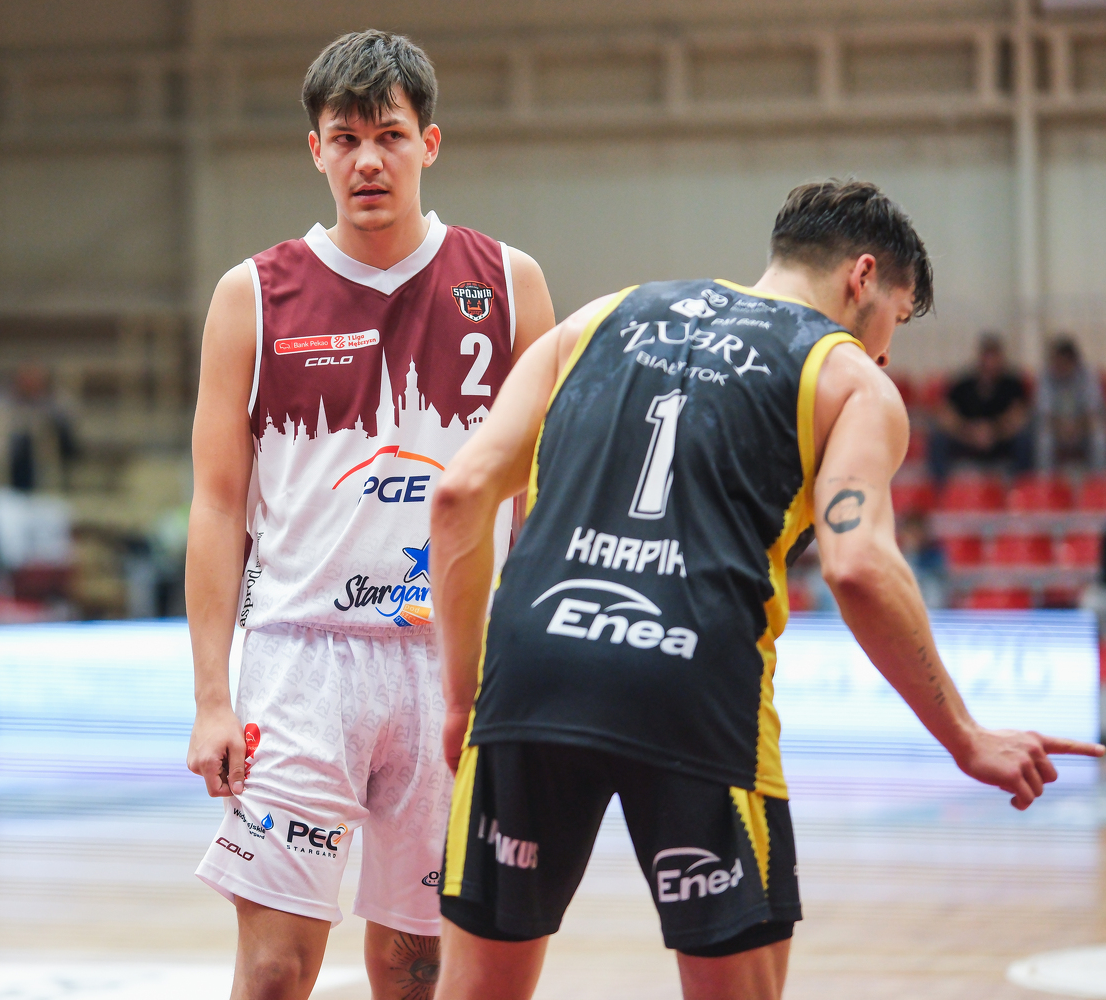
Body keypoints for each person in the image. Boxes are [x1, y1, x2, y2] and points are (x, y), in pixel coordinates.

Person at [426, 180, 1105, 1000]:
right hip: (694, 684)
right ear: (862, 277)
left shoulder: (597, 317)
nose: (888, 352)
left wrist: (461, 698)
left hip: (534, 671)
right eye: (897, 317)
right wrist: (964, 735)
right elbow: (857, 566)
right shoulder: (851, 380)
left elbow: (459, 496)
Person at [184, 30, 555, 1000]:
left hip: (453, 662)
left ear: (429, 143)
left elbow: (542, 492)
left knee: (416, 966)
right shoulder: (251, 296)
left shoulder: (508, 281)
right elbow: (218, 507)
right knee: (273, 969)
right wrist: (213, 696)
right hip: (300, 666)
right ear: (316, 150)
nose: (367, 161)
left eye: (388, 135)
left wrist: (536, 663)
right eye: (344, 139)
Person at [928, 334, 1031, 481]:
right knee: (938, 438)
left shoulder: (1012, 384)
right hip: (966, 439)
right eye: (987, 357)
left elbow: (1018, 415)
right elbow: (945, 414)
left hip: (1000, 440)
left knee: (1024, 438)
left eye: (994, 358)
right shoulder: (962, 384)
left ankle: (1022, 485)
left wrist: (993, 431)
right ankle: (939, 487)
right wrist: (970, 433)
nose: (990, 364)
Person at [1034, 336, 1106, 472]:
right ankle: (1046, 480)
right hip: (1056, 428)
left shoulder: (1088, 374)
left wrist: (1077, 427)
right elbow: (1044, 412)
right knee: (1044, 439)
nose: (1058, 367)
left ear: (1073, 361)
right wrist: (1061, 427)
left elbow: (1093, 409)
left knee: (1099, 437)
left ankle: (1099, 480)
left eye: (1062, 363)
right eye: (1055, 362)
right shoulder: (1046, 375)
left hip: (1083, 427)